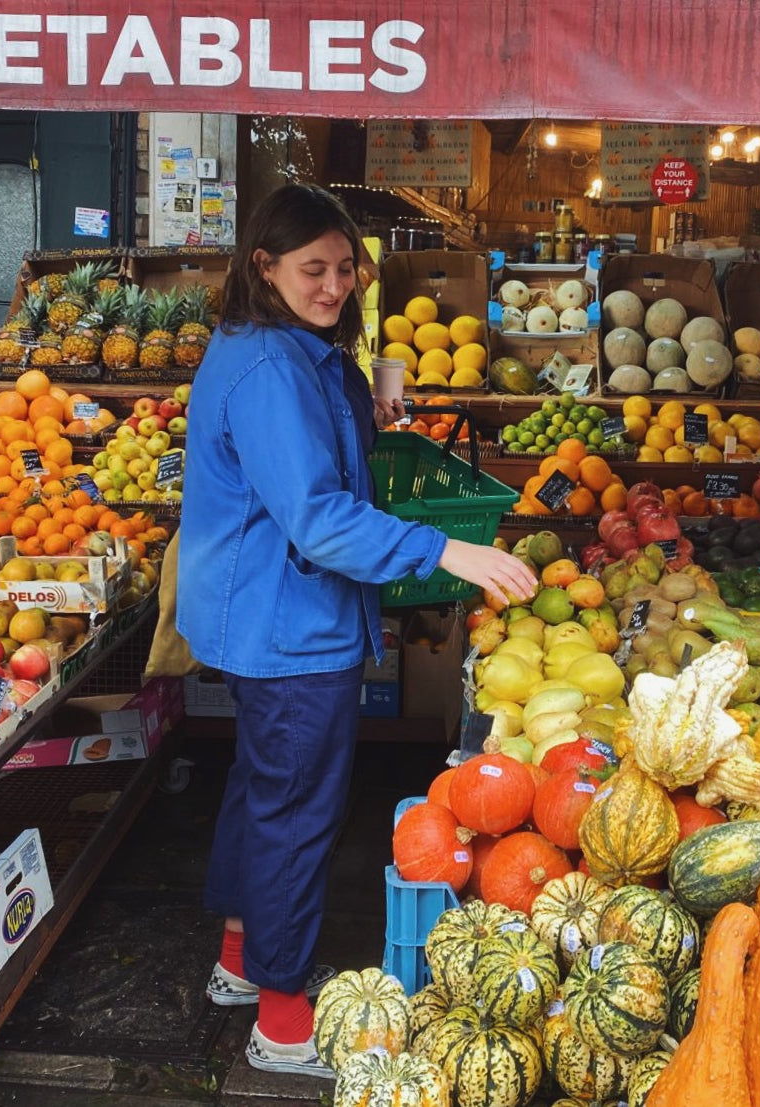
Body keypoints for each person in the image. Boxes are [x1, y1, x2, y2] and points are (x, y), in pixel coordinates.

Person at [175, 183, 537, 1079]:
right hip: (286, 621)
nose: (333, 286)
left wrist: (365, 402)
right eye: (314, 269)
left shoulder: (278, 344)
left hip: (266, 610)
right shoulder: (269, 371)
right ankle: (283, 1023)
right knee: (296, 813)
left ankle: (240, 964)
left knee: (265, 789)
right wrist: (446, 548)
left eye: (346, 269)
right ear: (264, 265)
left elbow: (310, 448)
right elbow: (319, 521)